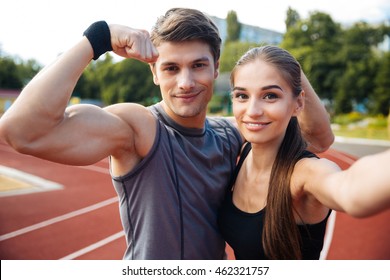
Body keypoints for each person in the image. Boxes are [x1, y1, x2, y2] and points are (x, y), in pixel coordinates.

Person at [0, 8, 333, 259]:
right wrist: (97, 38)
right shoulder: (137, 127)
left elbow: (317, 138)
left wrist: (282, 66)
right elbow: (22, 132)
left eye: (198, 65)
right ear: (154, 72)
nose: (186, 82)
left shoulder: (229, 133)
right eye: (171, 68)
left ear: (216, 68)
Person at [218, 45, 390, 260]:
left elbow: (350, 189)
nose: (252, 111)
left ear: (298, 103)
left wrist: (289, 64)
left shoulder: (303, 173)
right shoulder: (242, 148)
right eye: (242, 96)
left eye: (270, 96)